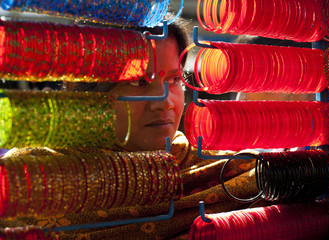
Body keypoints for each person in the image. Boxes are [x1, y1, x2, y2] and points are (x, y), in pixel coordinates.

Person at [1, 16, 257, 239]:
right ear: (93, 92)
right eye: (138, 83)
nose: (164, 102)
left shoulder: (218, 170)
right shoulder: (31, 180)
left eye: (175, 79)